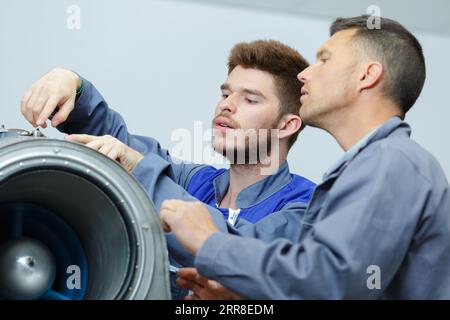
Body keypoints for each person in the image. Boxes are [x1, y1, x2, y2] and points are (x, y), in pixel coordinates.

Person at [159, 15, 450, 299]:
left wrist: (210, 242)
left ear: (367, 75)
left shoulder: (390, 162)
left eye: (324, 60)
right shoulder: (371, 166)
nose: (305, 74)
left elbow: (331, 282)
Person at [20, 40, 316, 298]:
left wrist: (139, 166)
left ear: (287, 125)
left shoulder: (308, 208)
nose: (226, 105)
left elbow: (240, 252)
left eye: (249, 99)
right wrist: (75, 85)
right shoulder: (193, 181)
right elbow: (122, 146)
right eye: (226, 94)